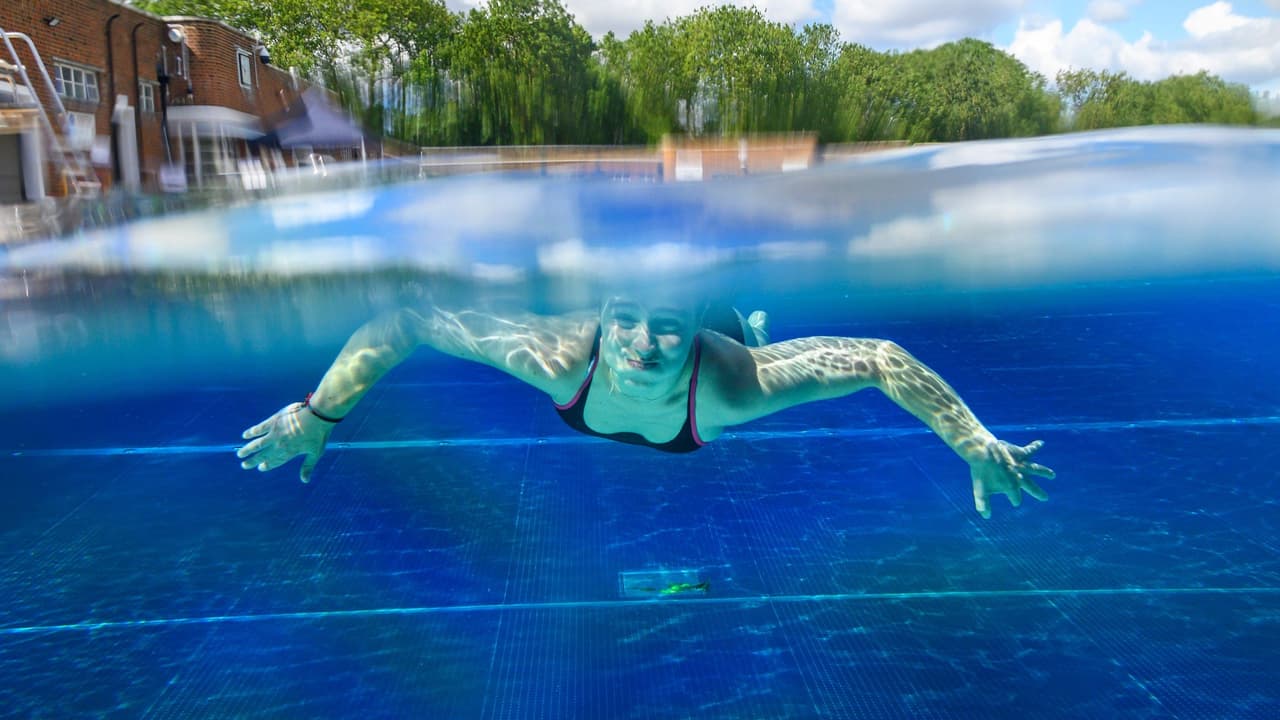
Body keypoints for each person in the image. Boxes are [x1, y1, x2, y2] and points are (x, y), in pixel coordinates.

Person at [238, 297, 1054, 519]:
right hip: (637, 378)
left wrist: (968, 435)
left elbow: (878, 358)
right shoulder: (566, 356)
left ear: (686, 329)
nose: (641, 342)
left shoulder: (731, 381)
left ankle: (749, 320)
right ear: (605, 311)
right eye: (627, 317)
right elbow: (411, 314)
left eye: (666, 325)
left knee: (754, 334)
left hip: (723, 348)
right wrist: (320, 413)